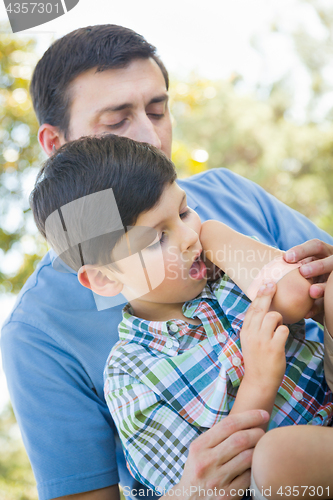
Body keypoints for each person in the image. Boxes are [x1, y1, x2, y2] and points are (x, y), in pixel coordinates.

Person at [1, 23, 333, 500]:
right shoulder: (39, 333)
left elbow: (312, 292)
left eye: (158, 110)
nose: (149, 137)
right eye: (116, 122)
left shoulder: (222, 200)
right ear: (55, 145)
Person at [30, 134, 333, 497]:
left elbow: (301, 294)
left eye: (185, 211)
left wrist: (219, 237)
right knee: (277, 458)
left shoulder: (223, 270)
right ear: (104, 278)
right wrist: (259, 381)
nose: (189, 236)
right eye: (157, 238)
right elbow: (216, 484)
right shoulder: (130, 375)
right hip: (284, 480)